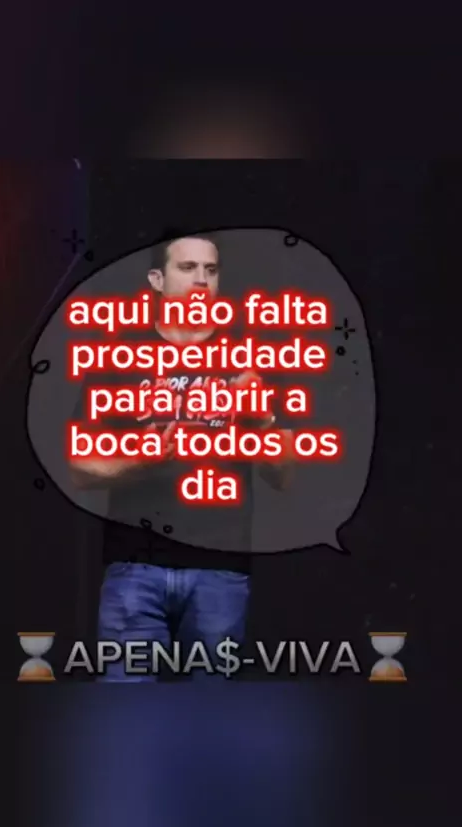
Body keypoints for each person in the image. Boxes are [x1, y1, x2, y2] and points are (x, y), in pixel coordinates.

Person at [70, 232, 295, 680]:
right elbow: (80, 467)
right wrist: (140, 461)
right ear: (157, 279)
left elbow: (284, 474)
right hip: (135, 567)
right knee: (124, 711)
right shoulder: (118, 356)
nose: (201, 280)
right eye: (187, 267)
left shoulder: (251, 358)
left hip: (220, 572)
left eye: (210, 270)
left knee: (207, 714)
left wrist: (260, 419)